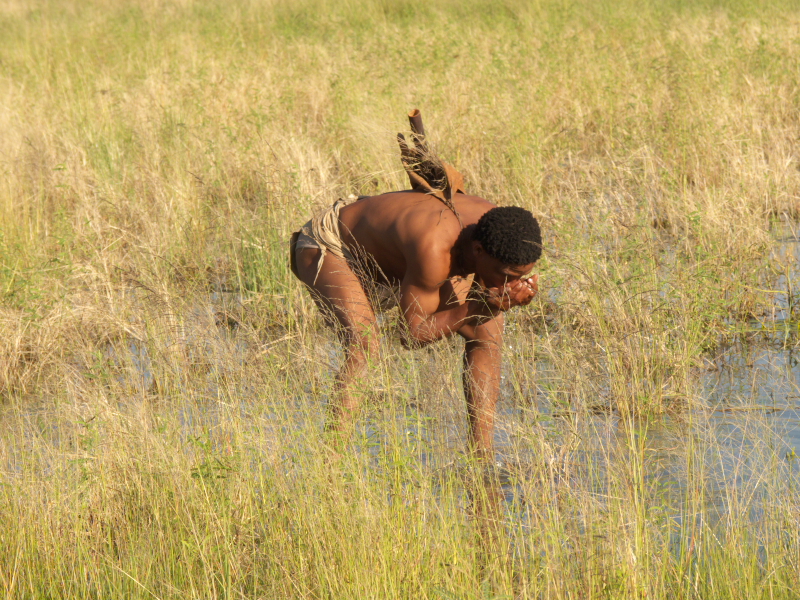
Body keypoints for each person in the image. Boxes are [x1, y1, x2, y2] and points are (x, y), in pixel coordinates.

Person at [289, 111, 542, 459]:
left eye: (523, 276)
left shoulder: (497, 233)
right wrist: (478, 306)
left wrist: (486, 307)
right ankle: (331, 462)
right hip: (332, 245)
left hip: (400, 258)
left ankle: (481, 457)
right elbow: (410, 335)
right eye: (508, 276)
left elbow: (482, 301)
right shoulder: (434, 249)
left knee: (488, 335)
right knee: (364, 345)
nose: (514, 284)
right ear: (478, 252)